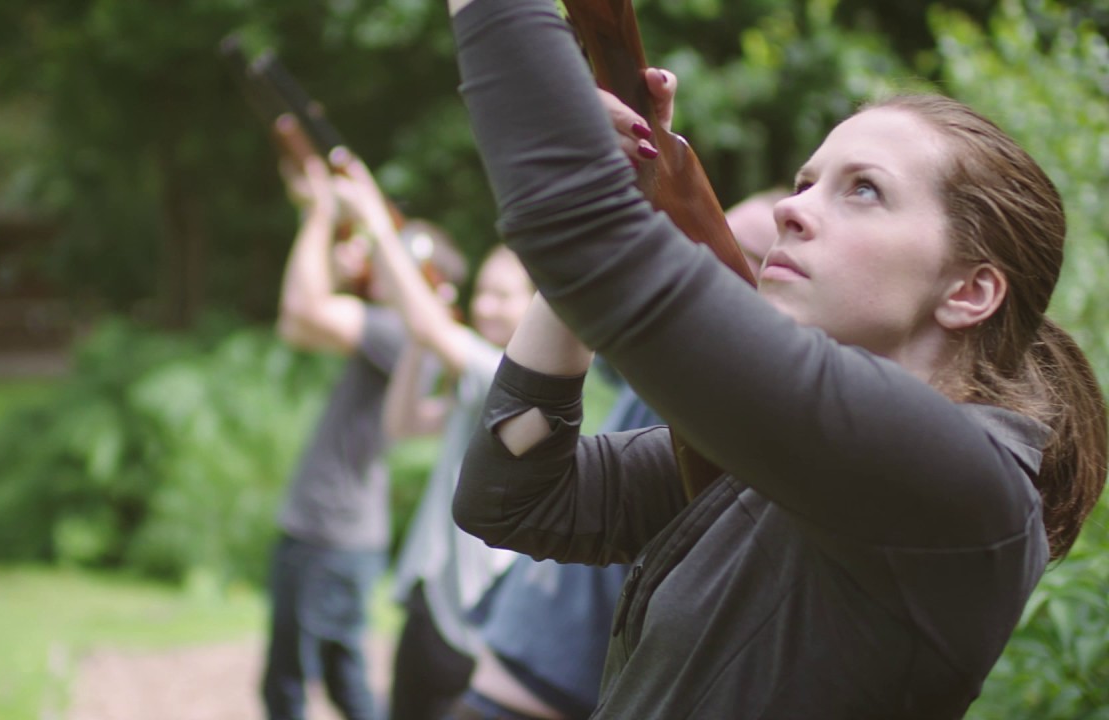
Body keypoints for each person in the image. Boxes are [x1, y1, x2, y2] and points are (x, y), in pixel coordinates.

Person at [444, 0, 1108, 717]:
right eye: (805, 182)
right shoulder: (802, 466)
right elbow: (516, 497)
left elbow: (587, 241)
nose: (794, 210)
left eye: (864, 189)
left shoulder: (962, 481)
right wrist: (605, 223)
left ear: (970, 291)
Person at [449, 190, 786, 720]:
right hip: (503, 678)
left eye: (726, 248)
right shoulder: (668, 353)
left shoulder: (726, 413)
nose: (693, 256)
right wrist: (603, 204)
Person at [262, 117, 464, 720]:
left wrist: (320, 213)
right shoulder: (396, 330)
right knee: (328, 679)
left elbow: (299, 311)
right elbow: (304, 314)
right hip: (329, 531)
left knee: (306, 685)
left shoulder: (398, 331)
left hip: (331, 534)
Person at [331, 156, 535, 720]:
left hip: (469, 613)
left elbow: (428, 325)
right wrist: (425, 342)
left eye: (504, 295)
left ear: (535, 306)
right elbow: (403, 424)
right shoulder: (479, 377)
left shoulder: (503, 374)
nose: (486, 305)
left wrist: (375, 218)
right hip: (432, 595)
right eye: (484, 293)